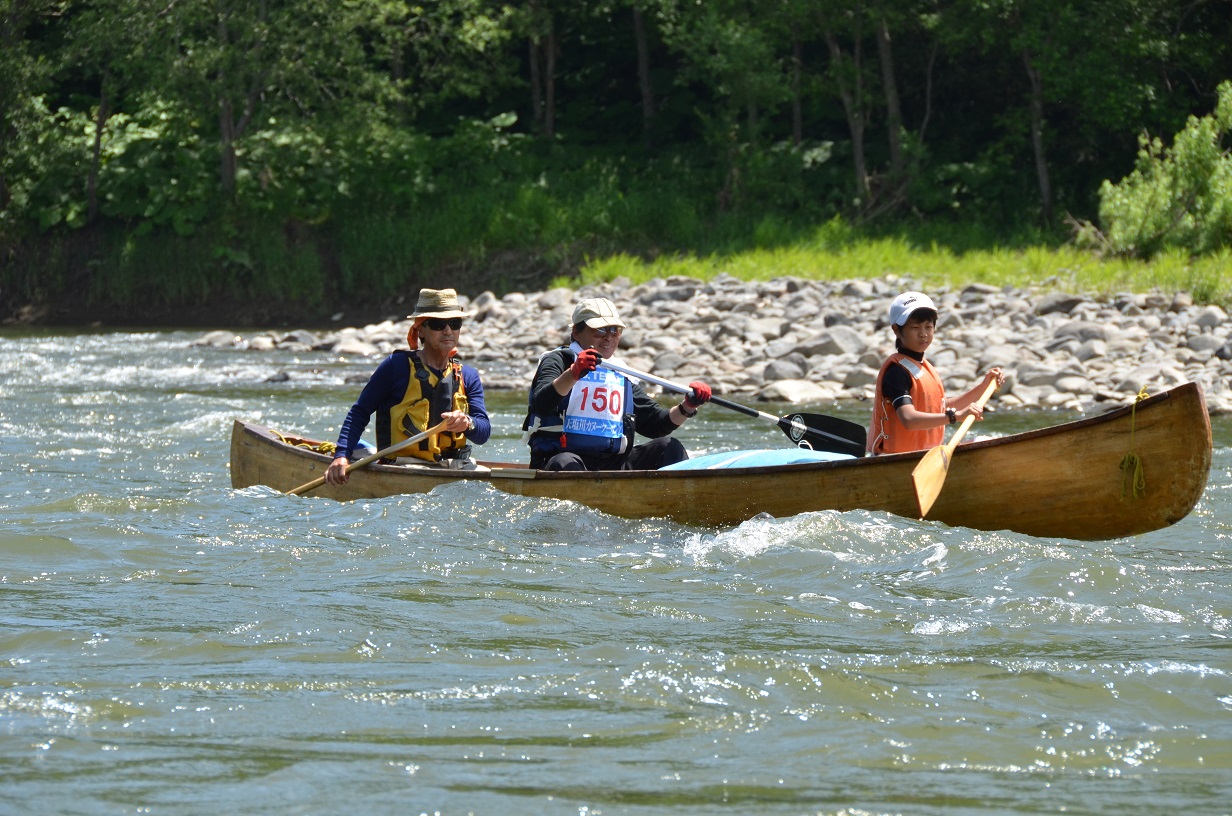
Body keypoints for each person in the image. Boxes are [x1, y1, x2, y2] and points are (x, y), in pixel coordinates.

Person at [523, 297, 712, 471]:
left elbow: (655, 424)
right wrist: (573, 373)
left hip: (612, 464)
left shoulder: (620, 372)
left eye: (615, 330)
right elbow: (541, 403)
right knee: (564, 463)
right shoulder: (558, 360)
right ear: (576, 332)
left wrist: (688, 406)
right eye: (600, 330)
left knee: (669, 447)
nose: (609, 337)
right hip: (561, 459)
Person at [324, 288, 491, 484]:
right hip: (403, 465)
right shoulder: (396, 367)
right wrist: (341, 456)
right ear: (421, 329)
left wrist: (467, 423)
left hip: (453, 466)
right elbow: (360, 412)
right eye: (438, 324)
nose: (448, 331)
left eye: (455, 323)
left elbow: (483, 431)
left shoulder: (468, 376)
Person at [867, 290, 1005, 456]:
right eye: (915, 327)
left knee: (983, 442)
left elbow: (942, 406)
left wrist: (984, 386)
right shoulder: (896, 372)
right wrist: (954, 417)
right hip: (894, 458)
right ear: (897, 330)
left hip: (926, 456)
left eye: (928, 327)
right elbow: (908, 419)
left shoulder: (923, 367)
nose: (923, 334)